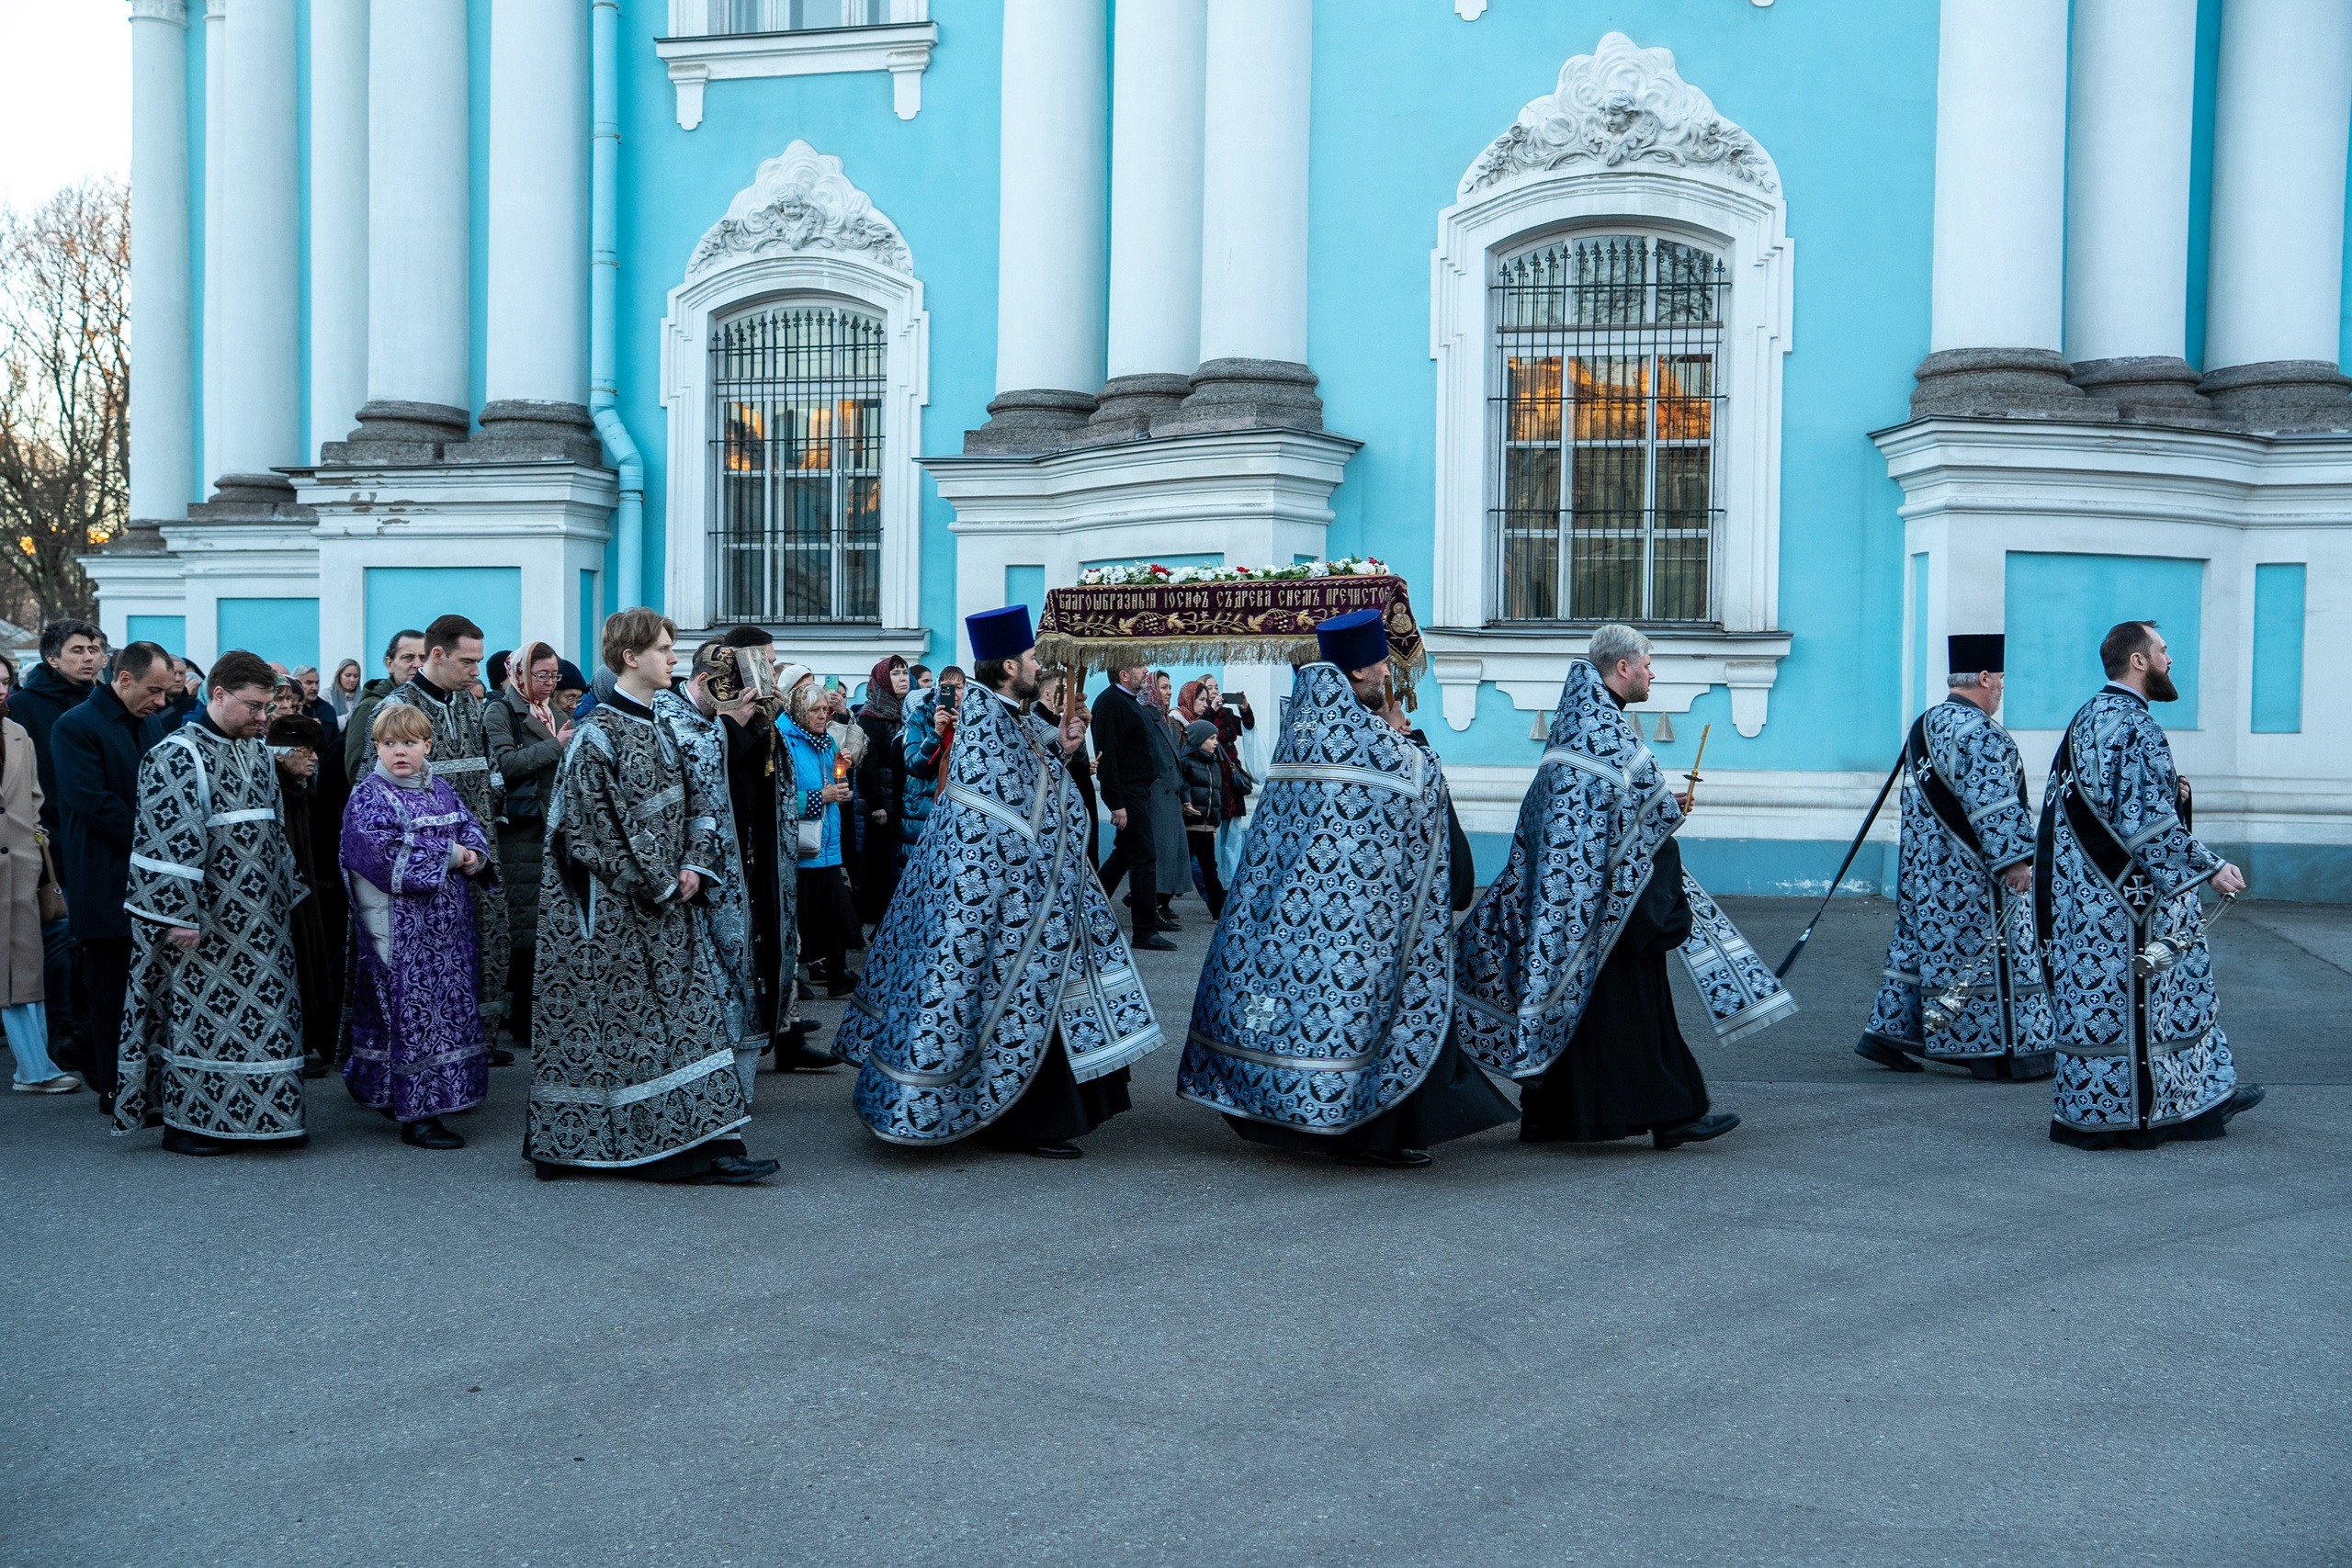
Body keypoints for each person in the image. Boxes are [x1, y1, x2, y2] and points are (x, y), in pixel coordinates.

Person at [1182, 611, 1514, 1168]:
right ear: (1360, 668)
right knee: (1361, 1014)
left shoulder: (1308, 726)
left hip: (1299, 914)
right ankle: (1366, 1131)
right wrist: (1418, 748)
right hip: (1358, 920)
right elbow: (1416, 780)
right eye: (1383, 661)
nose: (1388, 671)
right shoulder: (1362, 739)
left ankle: (1304, 1116)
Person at [834, 605, 1161, 1158]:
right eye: (1034, 659)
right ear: (1009, 665)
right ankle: (1021, 1121)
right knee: (991, 999)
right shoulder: (986, 722)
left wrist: (1063, 749)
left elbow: (1036, 789)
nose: (1042, 666)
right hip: (998, 900)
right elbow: (999, 819)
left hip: (1036, 895)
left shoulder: (1017, 718)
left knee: (1026, 999)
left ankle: (1042, 1110)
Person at [1456, 626, 1793, 1152]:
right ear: (1623, 669)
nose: (1653, 673)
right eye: (1648, 663)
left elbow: (1600, 815)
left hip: (1568, 905)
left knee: (1573, 1003)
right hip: (1617, 904)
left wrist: (1657, 807)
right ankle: (1674, 1114)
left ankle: (1547, 1115)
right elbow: (1624, 811)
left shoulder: (1578, 727)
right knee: (1637, 1012)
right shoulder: (1609, 737)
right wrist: (1661, 809)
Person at [525, 609, 775, 1184]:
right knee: (634, 1035)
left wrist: (693, 864)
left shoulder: (663, 725)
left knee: (690, 1022)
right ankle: (669, 1152)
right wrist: (660, 883)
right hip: (617, 918)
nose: (673, 659)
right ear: (630, 657)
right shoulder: (596, 736)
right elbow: (586, 836)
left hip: (671, 907)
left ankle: (709, 1142)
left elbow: (700, 803)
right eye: (663, 649)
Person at [2036, 620, 2260, 1151]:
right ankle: (2164, 1112)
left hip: (2086, 896)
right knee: (2155, 999)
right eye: (2162, 650)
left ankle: (2099, 1113)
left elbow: (2099, 809)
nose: (2170, 659)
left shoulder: (2088, 716)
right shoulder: (2136, 726)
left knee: (2103, 1007)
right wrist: (2210, 867)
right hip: (2130, 899)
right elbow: (2145, 822)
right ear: (2138, 661)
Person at [113, 650, 310, 1155]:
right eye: (254, 707)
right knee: (199, 1021)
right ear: (218, 695)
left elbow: (274, 829)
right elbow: (164, 840)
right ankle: (188, 1125)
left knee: (266, 1016)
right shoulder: (178, 754)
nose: (264, 718)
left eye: (268, 707)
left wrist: (287, 889)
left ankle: (264, 1119)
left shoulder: (256, 749)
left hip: (261, 917)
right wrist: (178, 915)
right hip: (206, 921)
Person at [1858, 634, 2057, 1080]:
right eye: (2000, 679)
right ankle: (1994, 1052)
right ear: (1984, 677)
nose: (2002, 689)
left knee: (1917, 947)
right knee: (1989, 953)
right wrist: (2016, 861)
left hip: (1923, 863)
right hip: (1969, 870)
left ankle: (1887, 1035)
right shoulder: (1981, 732)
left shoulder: (1926, 723)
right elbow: (1993, 803)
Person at [340, 702, 495, 1149]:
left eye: (409, 743)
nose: (399, 752)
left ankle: (412, 1093)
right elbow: (373, 852)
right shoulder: (370, 794)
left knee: (444, 1010)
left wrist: (474, 855)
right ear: (377, 748)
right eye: (389, 744)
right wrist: (449, 855)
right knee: (412, 1015)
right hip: (401, 930)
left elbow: (471, 827)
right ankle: (420, 1115)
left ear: (428, 745)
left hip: (448, 930)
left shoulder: (440, 789)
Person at [371, 615, 512, 1062]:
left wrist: (490, 818)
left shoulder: (471, 704)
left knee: (486, 942)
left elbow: (490, 771)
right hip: (425, 859)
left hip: (476, 850)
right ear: (437, 655)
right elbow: (372, 791)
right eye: (468, 661)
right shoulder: (395, 708)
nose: (477, 670)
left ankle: (476, 1045)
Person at [50, 642, 175, 1111]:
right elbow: (92, 803)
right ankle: (113, 1087)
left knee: (148, 988)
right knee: (110, 990)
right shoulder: (75, 726)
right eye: (154, 690)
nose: (162, 701)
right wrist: (162, 842)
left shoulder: (150, 722)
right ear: (123, 680)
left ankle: (147, 1082)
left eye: (165, 692)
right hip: (104, 880)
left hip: (152, 876)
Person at [651, 642, 767, 1095]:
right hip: (690, 874)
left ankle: (734, 1079)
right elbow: (696, 764)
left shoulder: (712, 714)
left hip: (737, 860)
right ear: (705, 684)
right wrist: (731, 725)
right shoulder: (667, 710)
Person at [16, 618, 105, 1065]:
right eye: (78, 650)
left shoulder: (104, 703)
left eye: (95, 649)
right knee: (58, 941)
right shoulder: (25, 706)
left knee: (91, 942)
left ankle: (89, 1030)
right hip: (48, 842)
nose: (90, 657)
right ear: (52, 658)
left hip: (96, 840)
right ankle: (60, 1033)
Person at [484, 640, 570, 1053]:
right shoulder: (501, 710)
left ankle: (539, 1017)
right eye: (543, 675)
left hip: (551, 830)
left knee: (544, 924)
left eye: (554, 675)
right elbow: (505, 764)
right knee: (524, 929)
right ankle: (521, 1021)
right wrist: (556, 745)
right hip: (520, 831)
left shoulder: (551, 712)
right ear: (519, 673)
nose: (550, 683)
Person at [0, 687, 73, 1094]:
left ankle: (35, 1068)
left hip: (20, 867)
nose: (0, 689)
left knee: (22, 970)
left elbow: (33, 797)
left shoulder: (17, 733)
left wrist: (32, 841)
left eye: (3, 680)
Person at [266, 715, 342, 1077]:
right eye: (304, 750)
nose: (313, 758)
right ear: (280, 754)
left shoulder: (303, 790)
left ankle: (312, 1039)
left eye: (315, 752)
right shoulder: (272, 791)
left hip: (308, 888)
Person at [1091, 664, 1176, 952]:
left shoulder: (1128, 701)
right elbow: (1109, 756)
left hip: (1140, 790)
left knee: (1125, 854)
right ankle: (1144, 931)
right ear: (1124, 674)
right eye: (1138, 667)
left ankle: (1090, 911)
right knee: (1144, 857)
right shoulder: (1110, 703)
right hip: (1128, 793)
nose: (1145, 670)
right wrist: (1116, 803)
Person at [782, 668, 855, 998]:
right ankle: (794, 981)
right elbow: (778, 798)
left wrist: (842, 790)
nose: (822, 716)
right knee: (802, 917)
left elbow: (831, 783)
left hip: (828, 839)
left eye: (825, 709)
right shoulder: (784, 741)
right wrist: (818, 798)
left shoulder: (825, 741)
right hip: (802, 843)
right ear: (799, 711)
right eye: (814, 710)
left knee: (833, 913)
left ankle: (837, 974)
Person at [854, 656, 910, 925]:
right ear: (883, 680)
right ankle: (873, 916)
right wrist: (875, 803)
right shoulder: (871, 716)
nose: (903, 678)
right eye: (896, 673)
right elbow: (867, 766)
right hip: (881, 805)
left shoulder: (908, 712)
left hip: (901, 799)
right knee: (878, 862)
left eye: (905, 672)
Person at [1034, 671, 1097, 873]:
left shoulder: (1058, 719)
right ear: (1047, 694)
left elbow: (1073, 763)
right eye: (1066, 690)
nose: (1071, 695)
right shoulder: (1038, 721)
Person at [343, 629, 425, 780]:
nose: (418, 664)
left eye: (423, 658)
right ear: (390, 664)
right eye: (408, 658)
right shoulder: (371, 707)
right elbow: (357, 769)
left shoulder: (429, 703)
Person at [899, 666, 963, 850]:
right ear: (937, 688)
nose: (953, 693)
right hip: (921, 809)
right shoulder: (919, 716)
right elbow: (913, 766)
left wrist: (965, 733)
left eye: (958, 687)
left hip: (957, 807)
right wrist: (936, 733)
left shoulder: (972, 720)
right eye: (946, 687)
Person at [1176, 717, 1229, 918]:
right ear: (1198, 740)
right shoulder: (1187, 762)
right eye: (1211, 738)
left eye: (1216, 738)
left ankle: (1218, 912)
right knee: (1179, 867)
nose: (1215, 742)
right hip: (1191, 824)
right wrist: (1186, 803)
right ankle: (1157, 902)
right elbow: (1182, 786)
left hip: (1206, 826)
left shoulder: (1214, 764)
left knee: (1210, 869)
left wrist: (1214, 824)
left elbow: (1216, 795)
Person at [326, 659, 364, 729]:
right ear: (339, 675)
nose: (352, 680)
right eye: (348, 675)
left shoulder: (363, 696)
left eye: (356, 676)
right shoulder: (326, 695)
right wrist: (349, 717)